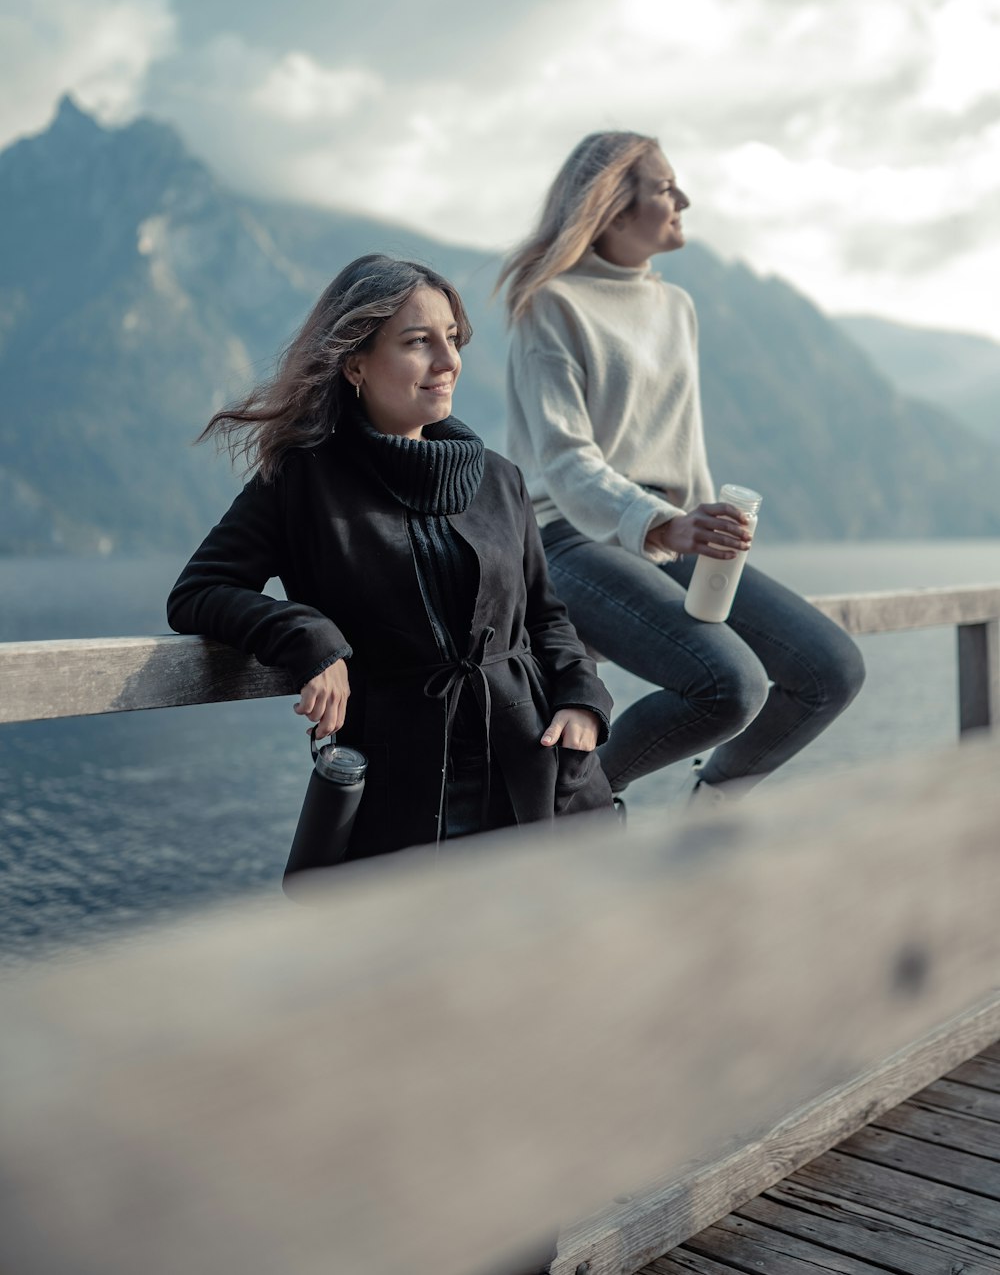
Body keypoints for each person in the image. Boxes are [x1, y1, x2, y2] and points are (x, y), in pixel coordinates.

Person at [167, 254, 614, 869]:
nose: (447, 360)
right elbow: (199, 591)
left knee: (550, 957)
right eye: (418, 342)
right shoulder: (302, 481)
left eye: (451, 340)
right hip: (403, 790)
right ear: (355, 363)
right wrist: (309, 636)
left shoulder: (499, 479)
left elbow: (547, 614)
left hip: (537, 772)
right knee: (411, 959)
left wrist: (583, 701)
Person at [499, 132, 865, 804]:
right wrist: (667, 526)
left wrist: (708, 524)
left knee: (830, 669)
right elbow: (566, 460)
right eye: (666, 187)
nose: (683, 199)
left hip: (671, 535)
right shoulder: (549, 304)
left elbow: (679, 443)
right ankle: (577, 801)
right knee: (732, 685)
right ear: (612, 209)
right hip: (570, 540)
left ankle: (714, 802)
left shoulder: (678, 308)